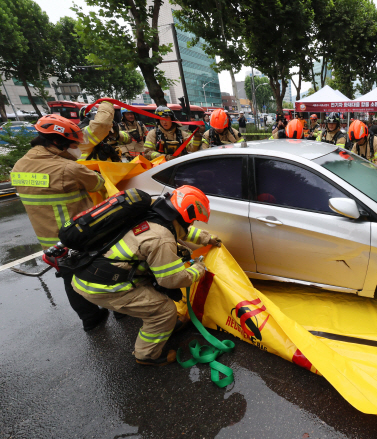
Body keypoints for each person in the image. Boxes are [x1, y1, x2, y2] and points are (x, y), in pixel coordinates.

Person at [72, 186, 223, 366]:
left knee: (156, 295)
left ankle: (165, 327)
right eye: (192, 220)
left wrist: (207, 238)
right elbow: (172, 279)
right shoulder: (162, 238)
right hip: (103, 286)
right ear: (185, 216)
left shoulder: (154, 213)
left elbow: (181, 231)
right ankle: (147, 355)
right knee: (164, 310)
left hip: (92, 270)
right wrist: (198, 269)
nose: (192, 224)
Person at [11, 106, 111, 331]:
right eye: (72, 143)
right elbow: (98, 183)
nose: (76, 148)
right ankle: (123, 313)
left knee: (70, 278)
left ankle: (90, 319)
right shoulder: (67, 168)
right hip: (79, 234)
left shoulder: (18, 167)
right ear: (57, 142)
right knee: (105, 271)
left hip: (49, 241)